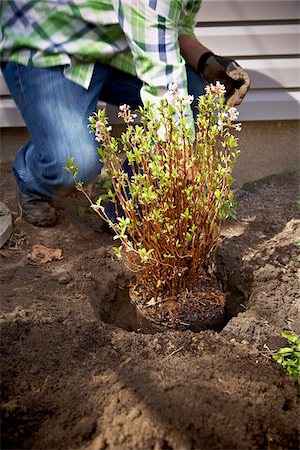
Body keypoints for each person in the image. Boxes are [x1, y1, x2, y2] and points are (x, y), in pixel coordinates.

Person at [0, 0, 250, 227]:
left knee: (205, 95)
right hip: (47, 45)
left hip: (116, 50)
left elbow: (174, 26)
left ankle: (127, 212)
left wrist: (205, 60)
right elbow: (163, 83)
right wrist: (180, 157)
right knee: (75, 164)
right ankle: (31, 179)